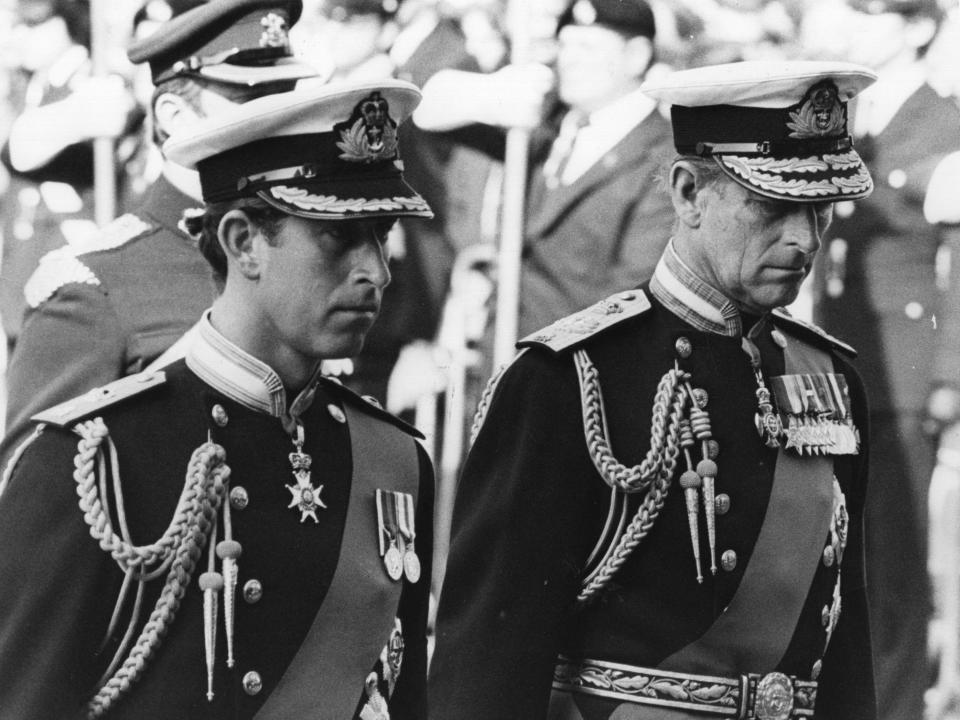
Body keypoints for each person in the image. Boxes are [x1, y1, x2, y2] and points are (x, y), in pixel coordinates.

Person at [429, 60, 879, 720]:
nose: (805, 239)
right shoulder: (568, 379)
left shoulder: (831, 381)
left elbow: (844, 656)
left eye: (822, 209)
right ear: (688, 192)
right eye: (776, 206)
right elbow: (488, 668)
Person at [0, 77, 435, 719]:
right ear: (241, 242)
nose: (376, 271)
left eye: (382, 232)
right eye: (339, 237)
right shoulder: (92, 460)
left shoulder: (394, 461)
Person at [0, 0, 318, 459]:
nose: (276, 124)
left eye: (281, 98)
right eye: (250, 103)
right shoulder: (93, 289)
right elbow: (33, 494)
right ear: (174, 117)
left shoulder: (298, 257)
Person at [801, 3, 960, 719]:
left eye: (876, 13)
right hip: (845, 359)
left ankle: (893, 708)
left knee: (893, 561)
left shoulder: (943, 122)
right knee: (842, 550)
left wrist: (950, 376)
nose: (856, 29)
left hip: (905, 367)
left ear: (918, 28)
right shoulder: (849, 117)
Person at [413, 0, 675, 340]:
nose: (569, 58)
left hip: (579, 370)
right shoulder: (545, 126)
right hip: (506, 353)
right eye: (564, 44)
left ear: (636, 55)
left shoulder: (662, 159)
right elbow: (429, 115)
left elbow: (636, 299)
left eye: (587, 46)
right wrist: (494, 94)